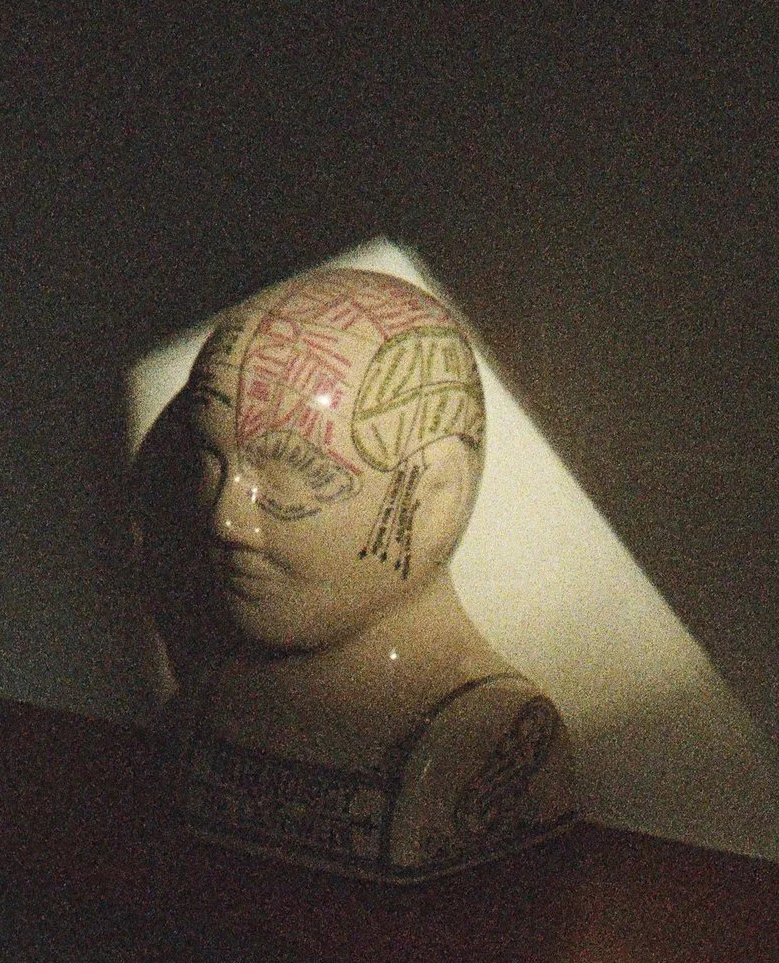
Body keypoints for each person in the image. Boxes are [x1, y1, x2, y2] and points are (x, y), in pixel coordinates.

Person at [138, 264, 574, 878]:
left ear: (430, 496)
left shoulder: (479, 740)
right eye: (209, 464)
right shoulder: (207, 713)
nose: (224, 521)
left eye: (292, 472)